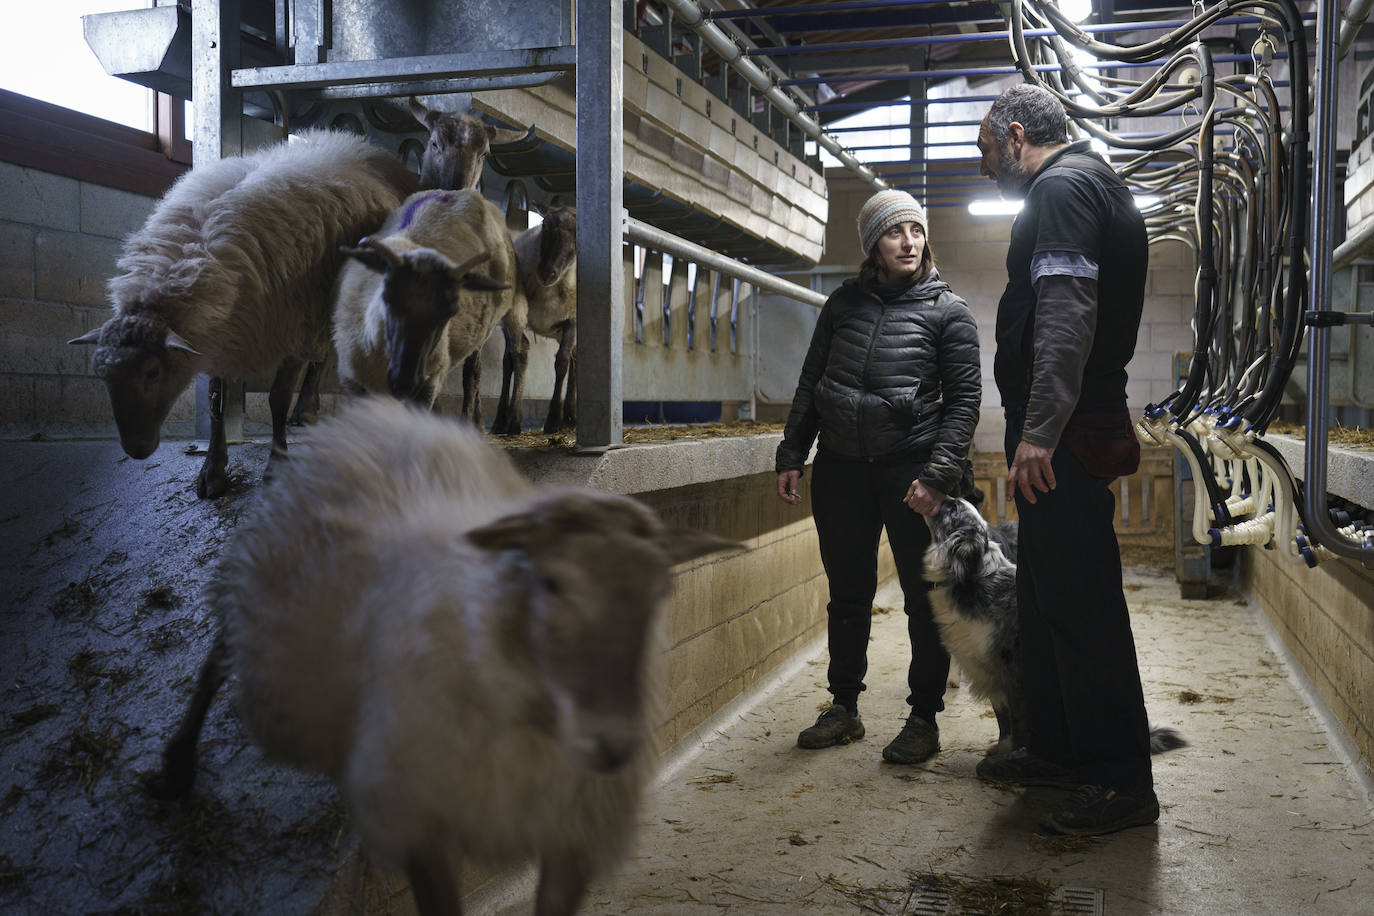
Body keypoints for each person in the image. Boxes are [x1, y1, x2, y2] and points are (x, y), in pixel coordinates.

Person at [973, 82, 1156, 835]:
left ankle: (1120, 783)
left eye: (988, 153)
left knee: (1081, 604)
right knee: (1049, 596)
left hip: (1066, 434)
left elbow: (1067, 314)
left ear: (1017, 136)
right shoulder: (1086, 184)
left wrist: (1040, 431)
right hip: (1065, 427)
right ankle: (1057, 748)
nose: (987, 170)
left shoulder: (1064, 190)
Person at [775, 189, 981, 765]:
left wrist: (938, 477)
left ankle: (923, 718)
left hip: (911, 470)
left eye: (916, 231)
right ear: (873, 244)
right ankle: (843, 707)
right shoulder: (842, 303)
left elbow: (965, 404)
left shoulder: (948, 311)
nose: (909, 242)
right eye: (896, 232)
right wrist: (792, 452)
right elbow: (812, 381)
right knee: (847, 595)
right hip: (840, 468)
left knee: (923, 598)